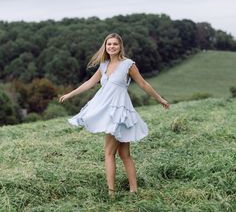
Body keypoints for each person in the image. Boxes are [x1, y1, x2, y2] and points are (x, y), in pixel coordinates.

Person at [59, 33, 169, 197]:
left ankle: (112, 194)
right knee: (124, 154)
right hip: (106, 110)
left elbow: (143, 84)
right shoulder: (104, 65)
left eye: (115, 44)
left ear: (120, 47)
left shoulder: (128, 65)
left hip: (119, 113)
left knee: (109, 153)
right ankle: (133, 191)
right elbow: (90, 83)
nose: (111, 47)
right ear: (105, 46)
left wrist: (160, 99)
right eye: (109, 44)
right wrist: (69, 94)